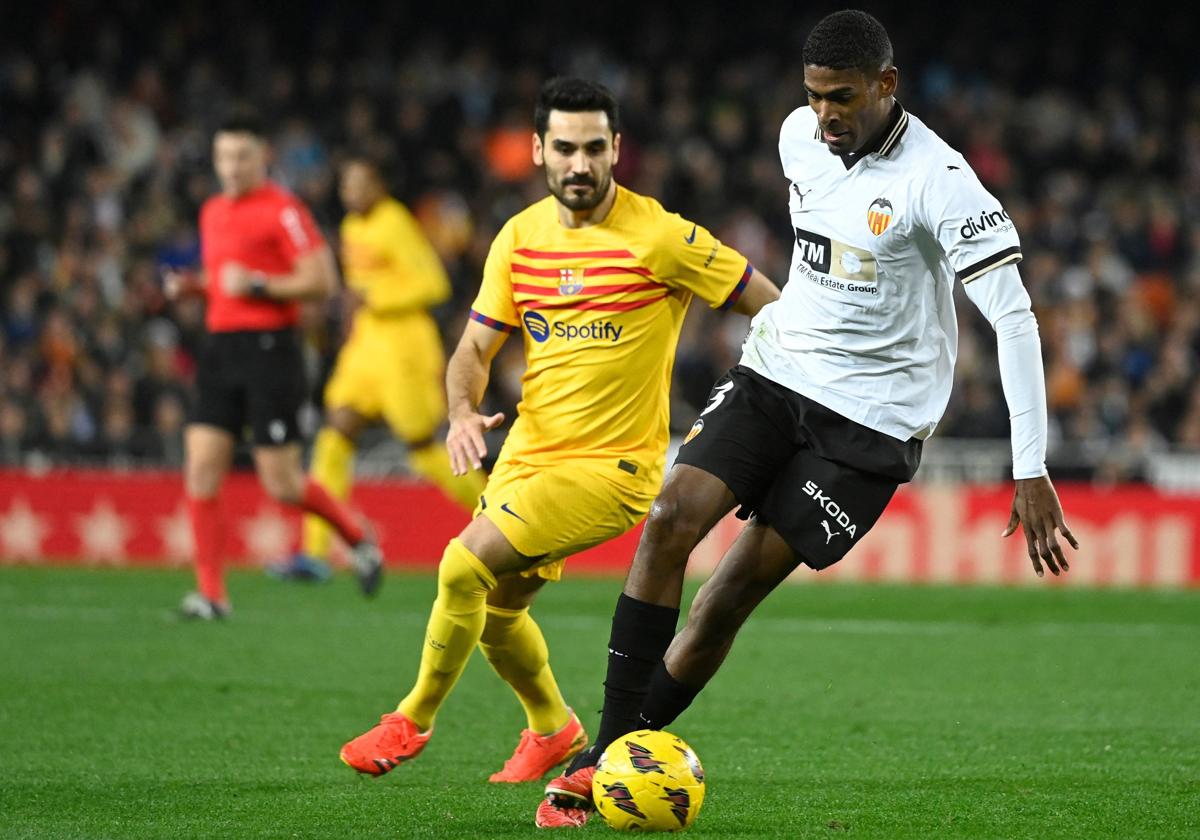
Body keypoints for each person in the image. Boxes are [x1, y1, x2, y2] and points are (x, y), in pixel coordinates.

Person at [535, 10, 1080, 828]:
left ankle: (614, 751)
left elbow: (1015, 319)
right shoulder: (799, 137)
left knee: (729, 592)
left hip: (873, 421)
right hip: (778, 371)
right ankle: (606, 756)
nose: (826, 114)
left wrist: (1030, 463)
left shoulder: (940, 181)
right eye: (816, 95)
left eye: (844, 98)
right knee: (668, 518)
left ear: (886, 86)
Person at [336, 77, 779, 785]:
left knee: (461, 567)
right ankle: (552, 727)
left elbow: (773, 307)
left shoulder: (663, 237)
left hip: (611, 470)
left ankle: (412, 718)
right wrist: (458, 410)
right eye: (565, 148)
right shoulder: (519, 237)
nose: (580, 163)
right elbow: (474, 349)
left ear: (617, 150)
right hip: (527, 456)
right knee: (500, 615)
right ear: (539, 150)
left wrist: (761, 409)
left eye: (595, 148)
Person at [175, 114, 383, 619]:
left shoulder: (283, 210)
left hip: (272, 350)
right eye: (223, 157)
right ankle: (211, 595)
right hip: (221, 348)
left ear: (262, 156)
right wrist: (195, 287)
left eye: (242, 156)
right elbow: (228, 280)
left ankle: (359, 538)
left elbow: (322, 279)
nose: (231, 167)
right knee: (201, 468)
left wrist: (263, 286)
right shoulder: (212, 212)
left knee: (281, 483)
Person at [269, 159, 486, 582]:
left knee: (422, 449)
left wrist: (377, 297)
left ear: (379, 186)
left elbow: (434, 284)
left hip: (404, 345)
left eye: (360, 182)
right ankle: (315, 554)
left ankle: (504, 523)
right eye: (346, 183)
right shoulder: (352, 227)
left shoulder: (394, 222)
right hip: (367, 345)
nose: (351, 191)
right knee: (334, 437)